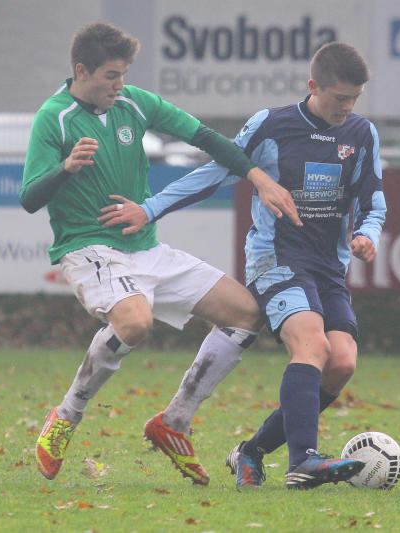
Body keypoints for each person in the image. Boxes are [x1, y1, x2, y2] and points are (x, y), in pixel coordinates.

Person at [21, 21, 300, 486]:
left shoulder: (135, 103)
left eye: (123, 74)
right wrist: (65, 168)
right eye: (111, 75)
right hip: (87, 247)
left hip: (146, 248)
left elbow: (206, 138)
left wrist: (258, 177)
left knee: (246, 314)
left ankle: (175, 421)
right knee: (135, 322)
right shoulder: (54, 117)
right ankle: (66, 415)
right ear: (82, 71)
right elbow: (30, 197)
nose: (120, 84)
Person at [103, 41, 385, 489]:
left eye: (355, 99)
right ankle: (304, 461)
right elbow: (215, 172)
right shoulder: (271, 126)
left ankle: (251, 451)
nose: (347, 107)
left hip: (328, 267)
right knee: (312, 346)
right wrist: (151, 208)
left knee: (342, 363)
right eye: (339, 98)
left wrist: (368, 233)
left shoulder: (361, 133)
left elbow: (373, 199)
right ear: (313, 86)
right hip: (276, 258)